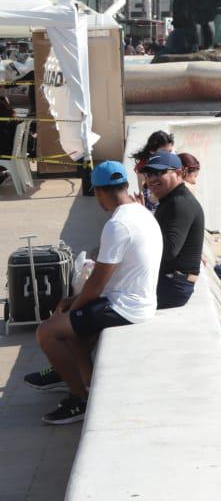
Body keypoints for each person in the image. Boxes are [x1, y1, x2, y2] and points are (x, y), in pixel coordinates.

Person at [26, 161, 161, 425]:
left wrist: (71, 309)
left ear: (99, 193)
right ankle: (81, 383)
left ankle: (79, 400)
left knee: (47, 332)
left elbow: (97, 284)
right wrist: (74, 304)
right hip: (139, 301)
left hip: (125, 307)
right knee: (72, 328)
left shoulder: (117, 225)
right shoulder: (142, 213)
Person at [140, 150, 204, 309]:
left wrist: (142, 219)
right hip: (169, 282)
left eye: (159, 172)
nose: (152, 179)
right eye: (148, 174)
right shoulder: (171, 199)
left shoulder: (179, 203)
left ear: (177, 173)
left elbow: (168, 250)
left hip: (172, 287)